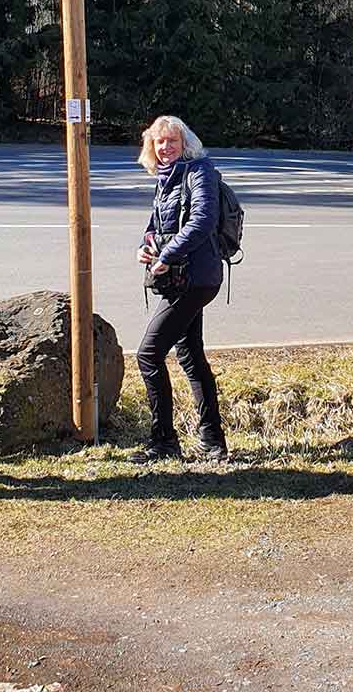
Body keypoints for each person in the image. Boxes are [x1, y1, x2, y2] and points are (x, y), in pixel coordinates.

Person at [131, 115, 228, 463]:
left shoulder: (198, 170)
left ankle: (163, 441)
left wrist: (167, 256)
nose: (165, 147)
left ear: (185, 144)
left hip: (195, 278)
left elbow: (202, 221)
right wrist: (146, 246)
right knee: (190, 356)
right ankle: (213, 443)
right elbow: (157, 224)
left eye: (172, 141)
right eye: (159, 142)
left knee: (148, 354)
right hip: (183, 277)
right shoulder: (166, 177)